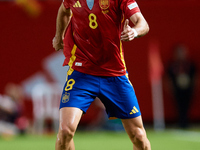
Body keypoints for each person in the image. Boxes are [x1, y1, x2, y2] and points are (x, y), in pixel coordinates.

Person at [52, 0, 151, 150]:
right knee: (65, 131)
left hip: (114, 75)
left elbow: (142, 23)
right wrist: (59, 36)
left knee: (138, 136)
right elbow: (64, 10)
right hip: (81, 74)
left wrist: (135, 31)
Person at [167, 44, 196, 128]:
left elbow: (195, 76)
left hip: (188, 88)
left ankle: (186, 122)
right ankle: (180, 122)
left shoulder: (190, 64)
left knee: (187, 105)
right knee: (178, 105)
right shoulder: (173, 65)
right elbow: (168, 77)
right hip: (177, 89)